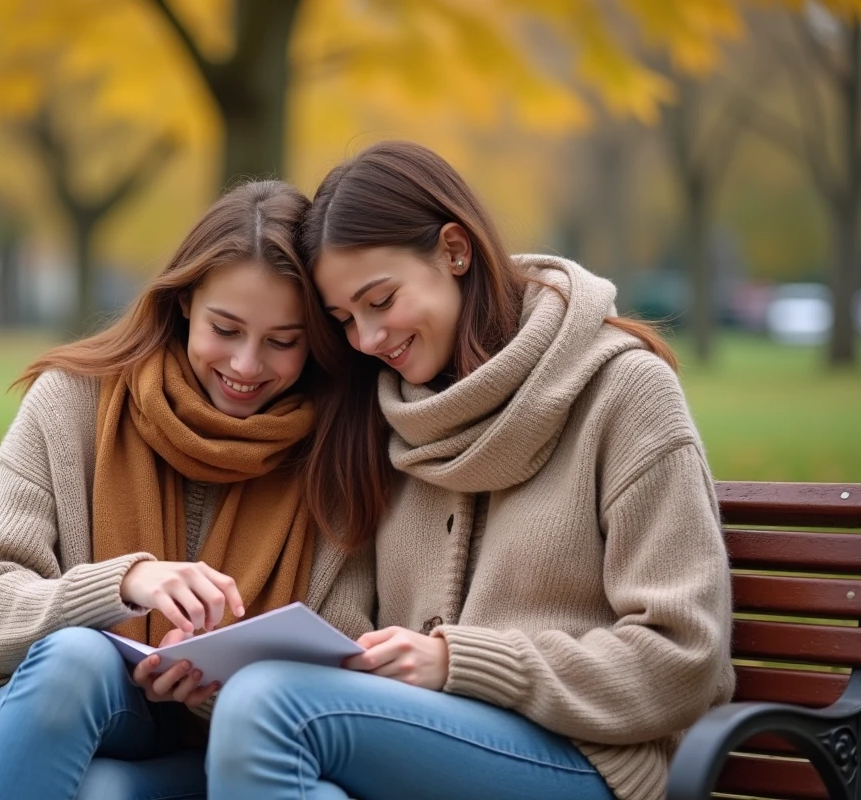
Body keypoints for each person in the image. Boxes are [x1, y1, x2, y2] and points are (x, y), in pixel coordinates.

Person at [204, 141, 734, 800]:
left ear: (454, 251)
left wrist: (461, 662)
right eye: (343, 320)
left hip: (587, 760)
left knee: (268, 707)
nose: (367, 340)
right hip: (420, 743)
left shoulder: (624, 391)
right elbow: (343, 629)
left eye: (381, 300)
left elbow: (683, 658)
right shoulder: (383, 414)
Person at [0, 180, 374, 800]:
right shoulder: (72, 401)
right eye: (225, 330)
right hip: (37, 711)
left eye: (283, 341)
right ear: (184, 306)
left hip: (218, 745)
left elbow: (349, 651)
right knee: (76, 659)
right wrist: (122, 586)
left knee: (107, 795)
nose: (247, 366)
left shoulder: (339, 451)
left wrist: (221, 677)